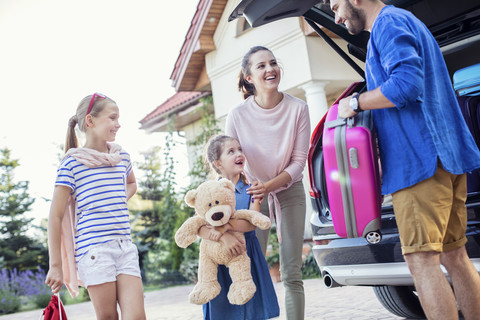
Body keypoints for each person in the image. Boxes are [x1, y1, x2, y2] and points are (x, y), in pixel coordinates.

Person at [328, 0, 480, 319]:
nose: (336, 16)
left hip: (419, 165)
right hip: (445, 156)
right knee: (455, 256)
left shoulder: (387, 25)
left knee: (421, 261)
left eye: (335, 5)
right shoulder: (403, 20)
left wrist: (355, 103)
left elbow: (406, 85)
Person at [225, 46, 311, 320]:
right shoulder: (237, 115)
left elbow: (299, 162)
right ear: (249, 77)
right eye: (260, 66)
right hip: (251, 195)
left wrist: (269, 186)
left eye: (273, 63)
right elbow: (230, 163)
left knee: (291, 270)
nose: (270, 69)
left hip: (289, 188)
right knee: (248, 268)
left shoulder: (298, 108)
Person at [45, 93, 146, 320]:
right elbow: (55, 216)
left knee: (137, 317)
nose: (118, 124)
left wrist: (118, 197)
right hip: (94, 251)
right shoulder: (72, 164)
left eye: (118, 118)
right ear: (90, 121)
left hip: (124, 247)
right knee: (108, 317)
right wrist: (56, 266)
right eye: (112, 118)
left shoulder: (122, 157)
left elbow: (131, 184)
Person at [198, 134, 280, 320]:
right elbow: (200, 227)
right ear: (218, 163)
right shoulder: (209, 192)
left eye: (240, 150)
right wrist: (224, 236)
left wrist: (222, 228)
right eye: (231, 151)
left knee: (252, 308)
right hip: (220, 258)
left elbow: (251, 224)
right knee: (224, 310)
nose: (239, 154)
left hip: (246, 253)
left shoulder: (253, 188)